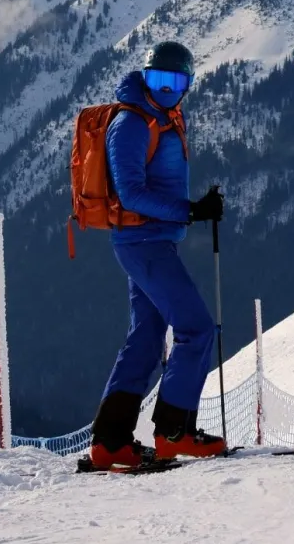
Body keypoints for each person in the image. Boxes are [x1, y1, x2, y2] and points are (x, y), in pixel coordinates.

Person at [88, 41, 227, 470]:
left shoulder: (161, 117)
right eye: (158, 79)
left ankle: (110, 443)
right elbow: (130, 193)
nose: (166, 89)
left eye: (175, 82)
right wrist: (191, 211)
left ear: (187, 85)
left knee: (147, 338)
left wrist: (195, 209)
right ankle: (173, 432)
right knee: (196, 329)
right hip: (142, 243)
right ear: (145, 78)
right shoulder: (130, 123)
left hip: (151, 241)